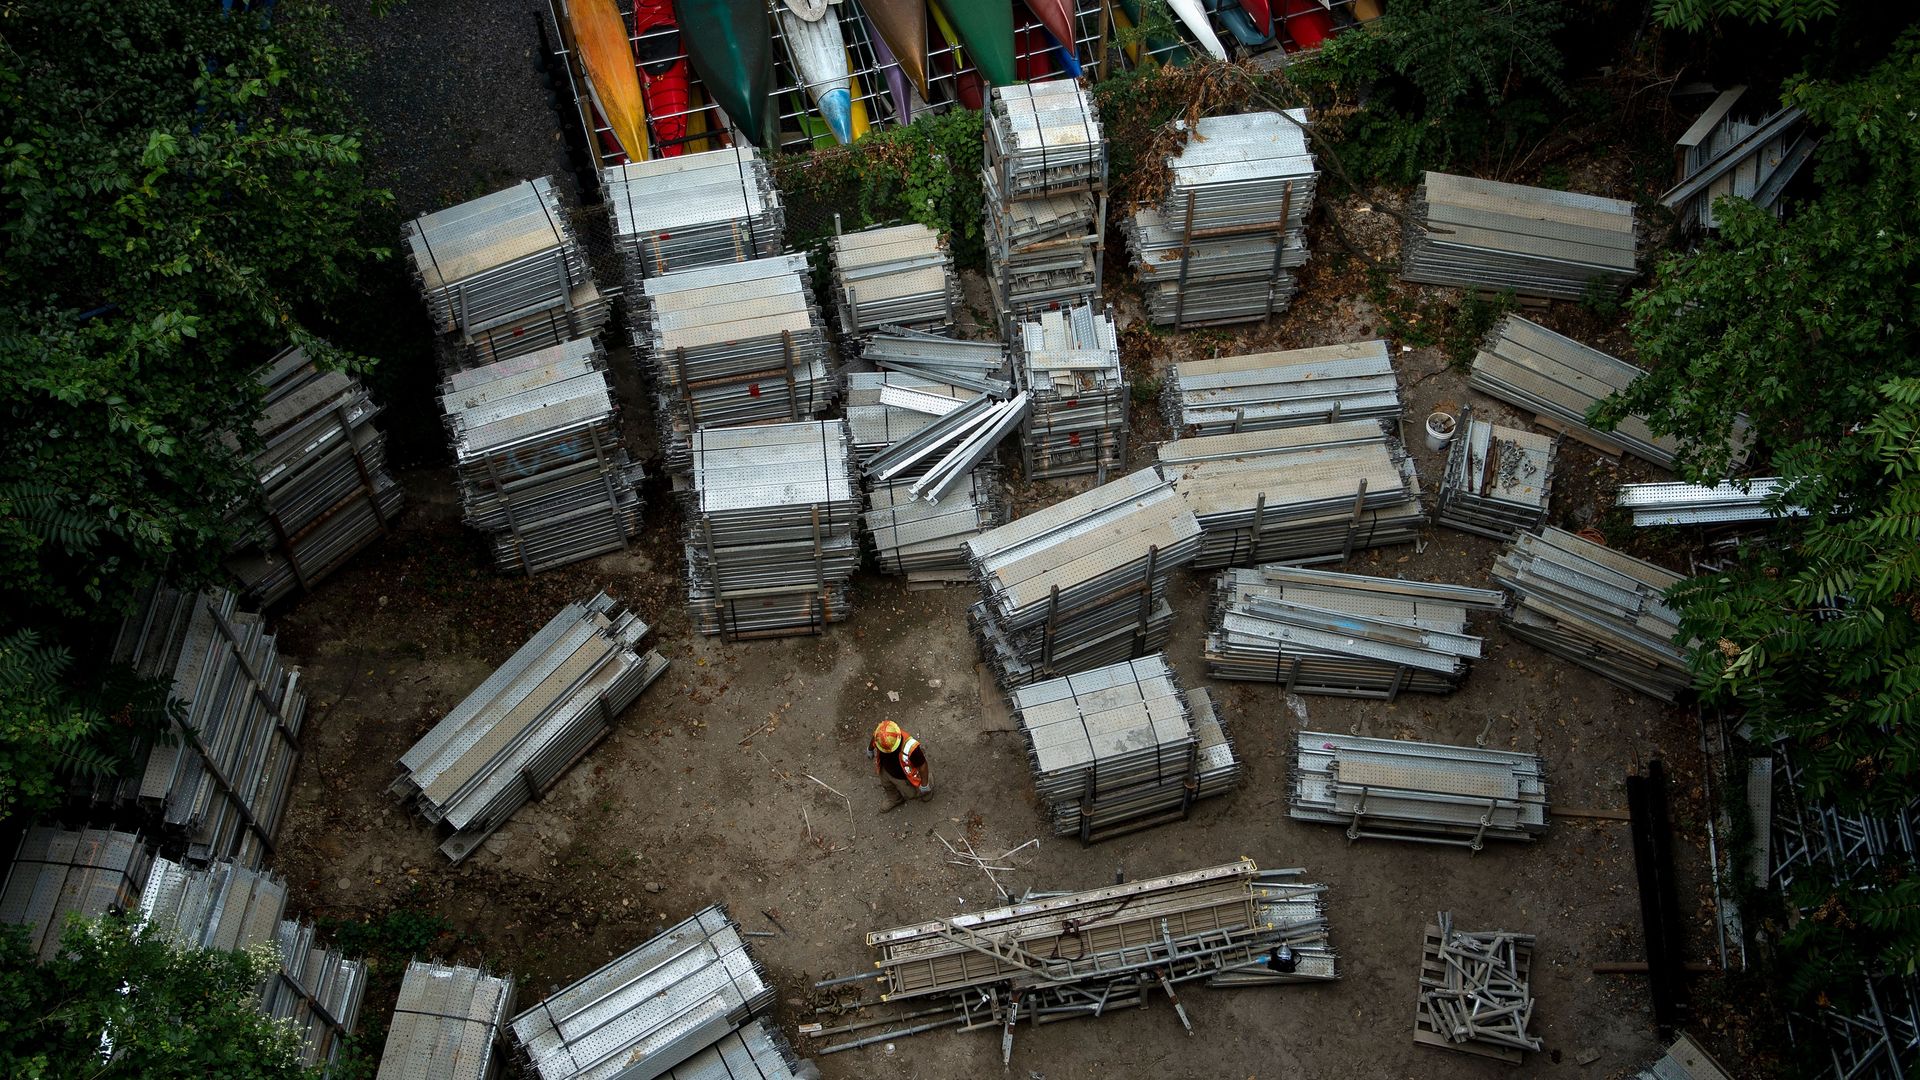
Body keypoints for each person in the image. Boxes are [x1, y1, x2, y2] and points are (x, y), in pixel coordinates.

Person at [868, 720, 930, 799]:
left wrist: (924, 784)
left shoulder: (911, 747)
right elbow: (874, 737)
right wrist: (870, 749)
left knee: (911, 794)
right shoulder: (881, 733)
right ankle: (895, 799)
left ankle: (928, 785)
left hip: (903, 776)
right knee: (887, 785)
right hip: (885, 769)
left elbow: (922, 765)